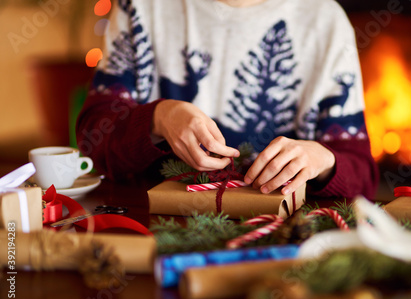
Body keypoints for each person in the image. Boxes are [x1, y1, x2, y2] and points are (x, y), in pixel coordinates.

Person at [77, 0, 379, 199]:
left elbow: (363, 178)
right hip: (153, 226)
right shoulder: (141, 7)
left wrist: (322, 160)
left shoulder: (325, 21)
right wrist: (159, 118)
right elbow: (93, 141)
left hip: (282, 240)